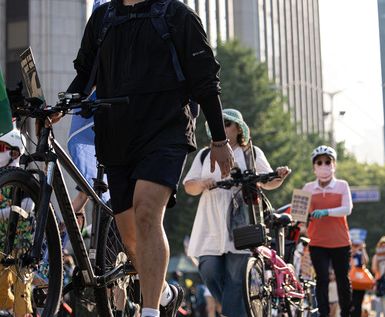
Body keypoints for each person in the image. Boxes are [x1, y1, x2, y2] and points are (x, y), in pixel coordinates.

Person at [65, 0, 235, 316]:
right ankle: (166, 293)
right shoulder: (103, 17)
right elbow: (86, 75)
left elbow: (205, 82)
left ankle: (150, 311)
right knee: (130, 236)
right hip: (116, 137)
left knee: (146, 212)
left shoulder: (177, 15)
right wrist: (61, 105)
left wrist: (219, 139)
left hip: (165, 131)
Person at [183, 108, 291, 317]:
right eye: (218, 123)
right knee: (208, 269)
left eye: (227, 123)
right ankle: (240, 310)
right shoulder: (205, 154)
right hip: (210, 220)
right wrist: (204, 183)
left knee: (236, 277)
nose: (222, 128)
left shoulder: (251, 152)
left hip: (241, 220)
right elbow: (189, 186)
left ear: (239, 129)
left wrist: (279, 176)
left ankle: (233, 312)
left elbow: (268, 182)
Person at [302, 145, 353, 317]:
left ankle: (346, 313)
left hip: (340, 242)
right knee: (321, 280)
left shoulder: (342, 185)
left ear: (334, 164)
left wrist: (327, 212)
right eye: (319, 162)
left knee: (342, 281)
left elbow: (347, 209)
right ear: (314, 167)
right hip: (317, 243)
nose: (324, 165)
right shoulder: (308, 187)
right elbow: (299, 213)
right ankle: (323, 314)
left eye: (327, 161)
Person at [0, 128, 33, 317]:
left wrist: (4, 214)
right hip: (1, 246)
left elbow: (28, 206)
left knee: (22, 292)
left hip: (22, 247)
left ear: (15, 151)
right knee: (1, 293)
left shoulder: (23, 179)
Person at [350, 237, 370, 317]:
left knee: (358, 303)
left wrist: (363, 249)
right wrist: (353, 251)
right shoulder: (349, 254)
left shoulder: (360, 254)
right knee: (350, 303)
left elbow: (365, 261)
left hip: (360, 282)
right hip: (350, 282)